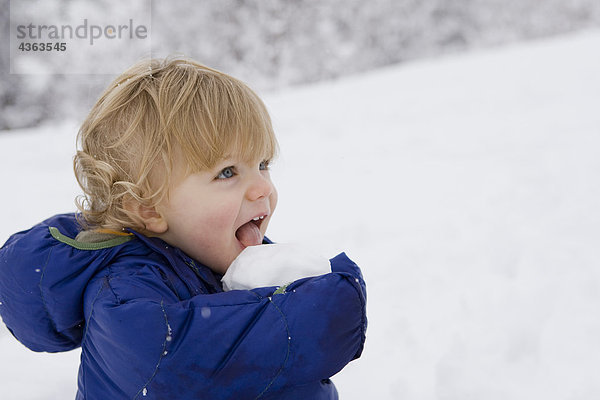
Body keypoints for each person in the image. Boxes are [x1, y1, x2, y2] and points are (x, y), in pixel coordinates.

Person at [0, 58, 367, 400]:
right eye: (227, 172)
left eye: (263, 163)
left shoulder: (218, 256)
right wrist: (323, 309)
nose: (263, 188)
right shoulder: (124, 290)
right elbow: (173, 363)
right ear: (148, 207)